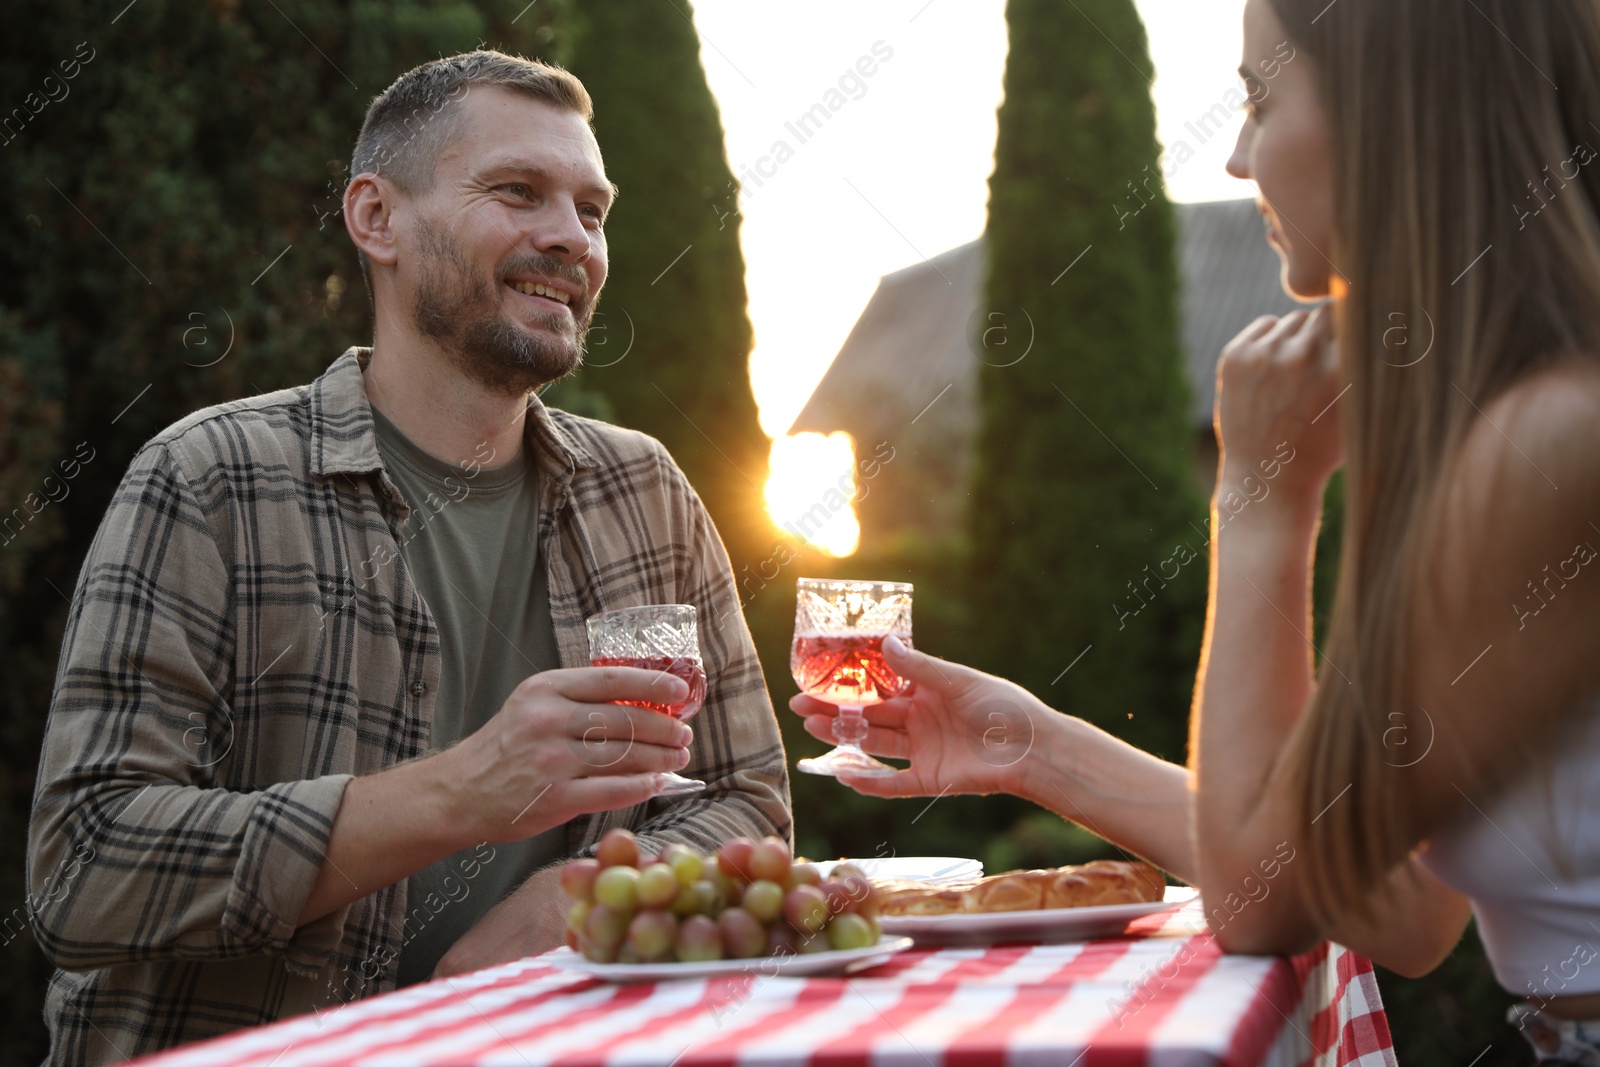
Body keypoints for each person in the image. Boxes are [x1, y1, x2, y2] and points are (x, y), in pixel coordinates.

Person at [792, 0, 1600, 1051]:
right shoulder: (1521, 418)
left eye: (1260, 99)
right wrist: (1028, 745)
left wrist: (1260, 492)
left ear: (1388, 113)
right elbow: (1389, 898)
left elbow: (1262, 902)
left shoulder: (1551, 439)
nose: (1232, 155)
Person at [27, 50, 790, 1066]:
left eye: (592, 210)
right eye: (518, 191)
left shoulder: (644, 491)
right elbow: (85, 866)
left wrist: (587, 893)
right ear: (376, 218)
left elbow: (748, 803)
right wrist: (460, 792)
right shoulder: (209, 478)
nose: (571, 236)